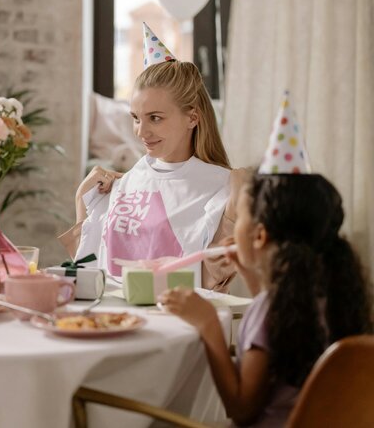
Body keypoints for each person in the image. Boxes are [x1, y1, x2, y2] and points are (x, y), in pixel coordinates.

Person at [159, 173, 373, 426]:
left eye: (239, 217)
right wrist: (251, 276)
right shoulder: (331, 294)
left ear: (259, 236)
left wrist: (209, 324)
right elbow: (276, 328)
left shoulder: (269, 308)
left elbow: (242, 409)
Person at [60, 26, 241, 289]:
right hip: (109, 310)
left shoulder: (221, 187)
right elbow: (88, 267)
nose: (141, 132)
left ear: (192, 117)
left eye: (155, 118)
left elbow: (210, 280)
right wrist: (82, 202)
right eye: (136, 118)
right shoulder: (129, 180)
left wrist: (239, 201)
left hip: (172, 310)